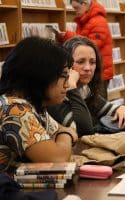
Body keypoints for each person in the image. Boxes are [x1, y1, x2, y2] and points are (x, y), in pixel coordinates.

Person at [0, 37, 78, 171]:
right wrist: (67, 134)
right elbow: (58, 159)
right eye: (63, 75)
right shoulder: (14, 110)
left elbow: (65, 131)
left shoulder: (32, 105)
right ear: (41, 75)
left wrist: (65, 134)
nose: (67, 84)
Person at [47, 36, 125, 136]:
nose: (88, 68)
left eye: (92, 62)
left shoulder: (84, 90)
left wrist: (122, 108)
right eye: (80, 62)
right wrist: (72, 88)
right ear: (65, 64)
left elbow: (108, 109)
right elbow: (84, 130)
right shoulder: (55, 96)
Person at [56, 0, 113, 99]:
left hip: (99, 72)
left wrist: (68, 36)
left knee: (96, 101)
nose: (75, 11)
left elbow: (92, 45)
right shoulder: (84, 21)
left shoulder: (98, 21)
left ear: (84, 4)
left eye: (77, 8)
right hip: (91, 69)